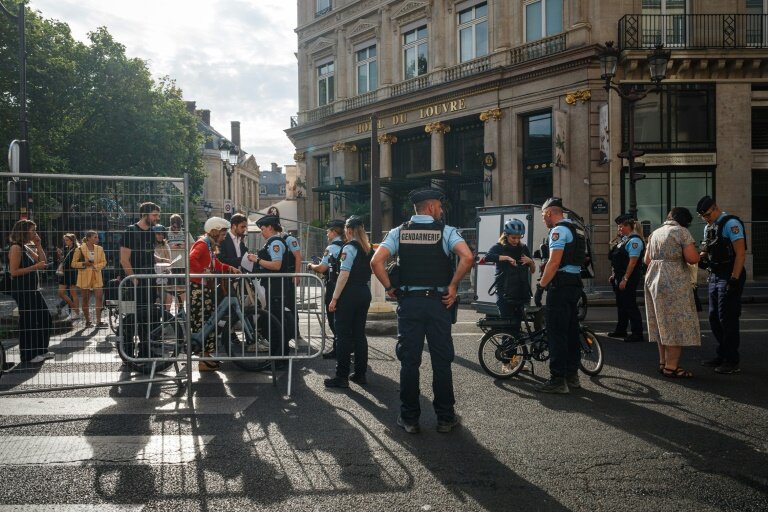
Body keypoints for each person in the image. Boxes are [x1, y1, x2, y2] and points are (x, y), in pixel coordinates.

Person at [371, 188, 473, 434]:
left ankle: (409, 419)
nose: (441, 210)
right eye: (439, 206)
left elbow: (375, 262)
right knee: (441, 362)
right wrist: (453, 284)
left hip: (410, 304)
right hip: (439, 304)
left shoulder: (398, 232)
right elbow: (467, 257)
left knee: (409, 362)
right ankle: (446, 418)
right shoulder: (446, 231)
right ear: (430, 207)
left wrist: (389, 287)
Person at [536, 197, 586, 394]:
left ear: (550, 213)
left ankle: (557, 380)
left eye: (542, 215)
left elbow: (554, 263)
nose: (543, 219)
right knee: (572, 331)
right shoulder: (577, 229)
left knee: (556, 332)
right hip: (575, 284)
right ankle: (572, 376)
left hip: (561, 285)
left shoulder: (558, 231)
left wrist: (541, 286)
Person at [644, 208, 701, 378]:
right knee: (676, 322)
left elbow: (646, 260)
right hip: (673, 279)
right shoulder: (681, 232)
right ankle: (672, 367)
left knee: (661, 321)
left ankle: (663, 362)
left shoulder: (655, 233)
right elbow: (692, 258)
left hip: (653, 278)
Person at [696, 196, 747, 374]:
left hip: (729, 274)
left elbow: (740, 253)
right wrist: (701, 258)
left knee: (728, 318)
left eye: (708, 214)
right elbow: (707, 249)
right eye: (703, 216)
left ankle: (732, 360)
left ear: (715, 208)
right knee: (714, 317)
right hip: (716, 274)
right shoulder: (709, 227)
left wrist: (734, 278)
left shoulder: (731, 223)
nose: (706, 218)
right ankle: (723, 353)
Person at [324, 216, 374, 388]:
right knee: (359, 334)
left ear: (350, 230)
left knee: (343, 335)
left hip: (349, 294)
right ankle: (360, 374)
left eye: (346, 230)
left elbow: (344, 274)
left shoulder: (349, 248)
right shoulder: (367, 248)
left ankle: (342, 376)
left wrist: (335, 298)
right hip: (363, 292)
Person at [188, 217, 241, 371]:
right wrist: (203, 272)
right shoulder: (202, 244)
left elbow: (215, 264)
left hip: (204, 288)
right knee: (202, 321)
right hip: (198, 288)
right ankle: (202, 359)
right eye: (223, 234)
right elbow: (191, 259)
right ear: (215, 231)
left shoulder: (209, 245)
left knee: (208, 321)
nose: (224, 237)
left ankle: (206, 355)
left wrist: (230, 268)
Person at [7, 220, 54, 363]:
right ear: (24, 231)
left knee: (45, 318)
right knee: (29, 322)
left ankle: (41, 350)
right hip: (23, 291)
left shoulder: (25, 247)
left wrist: (39, 245)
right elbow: (13, 272)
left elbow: (43, 262)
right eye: (33, 230)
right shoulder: (16, 248)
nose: (35, 233)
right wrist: (34, 267)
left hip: (33, 289)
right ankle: (28, 355)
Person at [120, 202, 161, 351]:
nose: (157, 218)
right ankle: (128, 352)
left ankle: (145, 350)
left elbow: (149, 253)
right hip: (135, 281)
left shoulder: (151, 232)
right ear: (145, 214)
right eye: (154, 215)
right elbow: (124, 259)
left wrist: (161, 261)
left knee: (148, 317)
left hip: (149, 278)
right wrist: (133, 278)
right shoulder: (130, 231)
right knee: (132, 317)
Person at [483, 219, 535, 334]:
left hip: (519, 293)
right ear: (506, 235)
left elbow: (532, 270)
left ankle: (514, 352)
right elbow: (487, 257)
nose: (516, 240)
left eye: (519, 237)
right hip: (503, 293)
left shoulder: (523, 248)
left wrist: (530, 262)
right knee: (507, 327)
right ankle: (506, 351)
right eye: (513, 237)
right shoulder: (499, 247)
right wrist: (506, 258)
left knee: (516, 327)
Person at [254, 215, 293, 359]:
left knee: (277, 324)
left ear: (270, 227)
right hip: (274, 288)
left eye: (262, 229)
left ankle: (279, 357)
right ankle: (279, 356)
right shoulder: (272, 242)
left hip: (277, 289)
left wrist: (257, 260)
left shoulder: (275, 243)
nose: (261, 232)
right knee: (275, 323)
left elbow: (276, 265)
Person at [307, 219, 346, 359]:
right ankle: (346, 346)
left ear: (334, 232)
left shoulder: (331, 247)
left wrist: (311, 266)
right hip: (346, 287)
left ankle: (338, 349)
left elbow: (322, 268)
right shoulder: (348, 245)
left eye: (328, 231)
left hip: (333, 285)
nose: (326, 234)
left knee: (333, 318)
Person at [607, 214, 646, 343]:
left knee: (630, 305)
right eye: (619, 226)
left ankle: (637, 333)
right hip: (619, 276)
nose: (619, 228)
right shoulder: (624, 240)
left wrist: (625, 279)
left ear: (630, 226)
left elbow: (632, 262)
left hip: (628, 277)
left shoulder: (635, 241)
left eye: (621, 226)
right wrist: (614, 275)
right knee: (621, 305)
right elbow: (618, 260)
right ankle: (621, 329)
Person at [72, 230, 108, 328]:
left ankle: (99, 321)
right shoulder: (79, 249)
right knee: (85, 299)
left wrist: (95, 267)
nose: (97, 239)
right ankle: (88, 321)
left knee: (99, 297)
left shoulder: (100, 249)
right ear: (88, 238)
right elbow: (73, 264)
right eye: (95, 237)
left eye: (97, 237)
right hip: (84, 276)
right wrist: (84, 263)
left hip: (97, 275)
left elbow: (104, 262)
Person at [167, 213, 192, 309]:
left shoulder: (185, 232)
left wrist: (184, 246)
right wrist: (169, 247)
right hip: (169, 266)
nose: (176, 230)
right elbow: (159, 246)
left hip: (182, 265)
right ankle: (167, 313)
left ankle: (181, 310)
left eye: (178, 227)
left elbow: (192, 245)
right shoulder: (165, 232)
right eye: (174, 227)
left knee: (181, 289)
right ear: (171, 224)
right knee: (169, 289)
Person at [55, 233, 81, 321]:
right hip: (65, 273)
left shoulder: (76, 250)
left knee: (73, 293)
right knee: (60, 293)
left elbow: (74, 262)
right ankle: (76, 310)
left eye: (67, 240)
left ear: (72, 240)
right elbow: (65, 260)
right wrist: (60, 255)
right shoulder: (67, 249)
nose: (65, 242)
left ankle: (75, 313)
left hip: (72, 272)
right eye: (65, 240)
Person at [152, 225, 173, 311]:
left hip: (163, 274)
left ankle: (165, 313)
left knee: (163, 296)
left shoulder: (165, 246)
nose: (160, 236)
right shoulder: (150, 245)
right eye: (158, 234)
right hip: (153, 274)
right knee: (154, 297)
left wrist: (168, 268)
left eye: (162, 234)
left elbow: (169, 260)